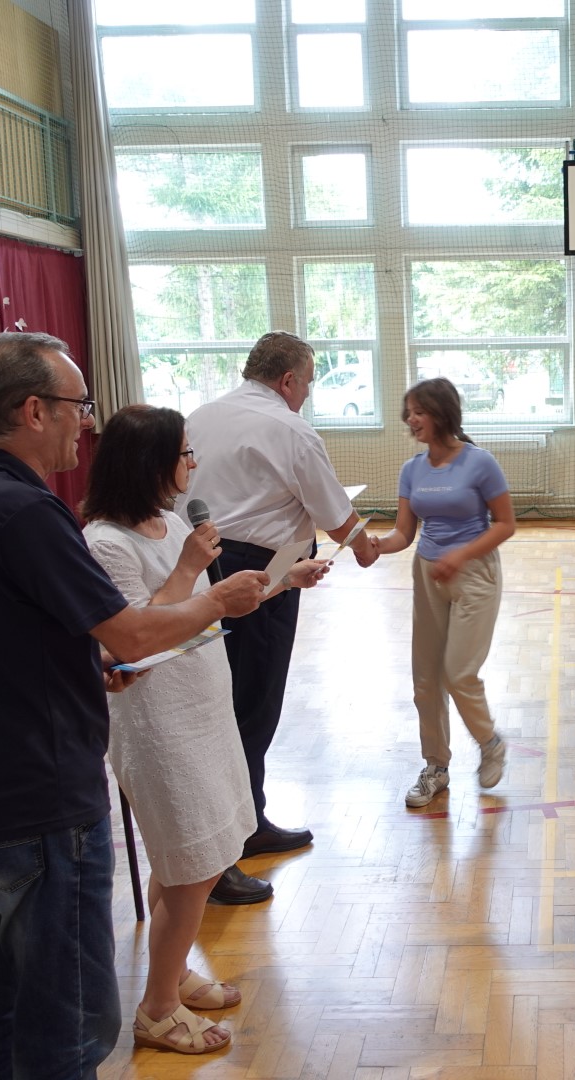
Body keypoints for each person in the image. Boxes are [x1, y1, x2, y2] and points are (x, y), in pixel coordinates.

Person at [0, 333, 271, 1078]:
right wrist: (217, 601)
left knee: (2, 1003)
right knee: (69, 1020)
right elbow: (132, 630)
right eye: (78, 405)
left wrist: (85, 666)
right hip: (39, 798)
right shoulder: (26, 513)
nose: (86, 421)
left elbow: (7, 642)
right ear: (33, 410)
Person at [82, 405, 328, 1054]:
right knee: (192, 865)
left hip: (202, 705)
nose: (194, 464)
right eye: (184, 453)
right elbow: (133, 638)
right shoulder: (104, 543)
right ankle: (158, 1010)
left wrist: (282, 582)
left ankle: (174, 973)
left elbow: (208, 611)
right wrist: (191, 567)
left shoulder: (168, 523)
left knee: (187, 858)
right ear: (150, 462)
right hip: (156, 721)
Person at [185, 332, 378, 898]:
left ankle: (248, 820)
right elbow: (335, 513)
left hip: (200, 561)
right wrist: (367, 548)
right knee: (251, 704)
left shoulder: (201, 415)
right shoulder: (291, 428)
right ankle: (227, 846)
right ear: (288, 379)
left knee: (225, 698)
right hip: (257, 573)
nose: (308, 394)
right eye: (308, 383)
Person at [374, 377, 516, 808]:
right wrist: (375, 546)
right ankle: (435, 766)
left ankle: (490, 742)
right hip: (427, 573)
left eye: (419, 411)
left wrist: (461, 555)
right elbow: (403, 533)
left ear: (442, 413)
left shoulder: (480, 462)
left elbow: (505, 524)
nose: (411, 419)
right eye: (409, 412)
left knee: (458, 673)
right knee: (425, 680)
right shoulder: (411, 469)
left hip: (475, 575)